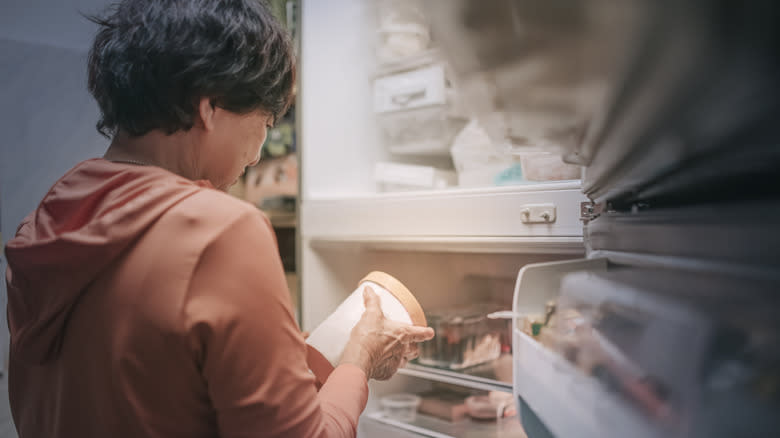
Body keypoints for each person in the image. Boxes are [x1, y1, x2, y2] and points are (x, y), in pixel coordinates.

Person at [3, 1, 434, 437]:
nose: (259, 153)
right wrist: (359, 360)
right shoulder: (221, 231)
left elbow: (151, 380)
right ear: (210, 107)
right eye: (266, 120)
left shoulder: (45, 222)